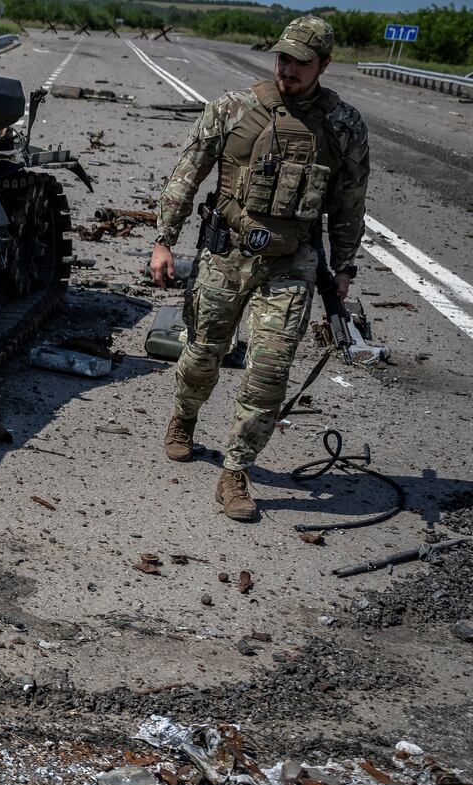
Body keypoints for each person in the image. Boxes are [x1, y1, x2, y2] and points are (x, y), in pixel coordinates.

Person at [149, 15, 370, 522]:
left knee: (269, 372)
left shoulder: (342, 125)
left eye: (300, 62)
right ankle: (183, 418)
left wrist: (344, 266)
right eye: (283, 58)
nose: (287, 69)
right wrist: (164, 240)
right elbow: (187, 172)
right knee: (204, 353)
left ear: (325, 65)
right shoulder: (233, 108)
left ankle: (235, 470)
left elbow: (350, 202)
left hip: (291, 262)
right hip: (226, 255)